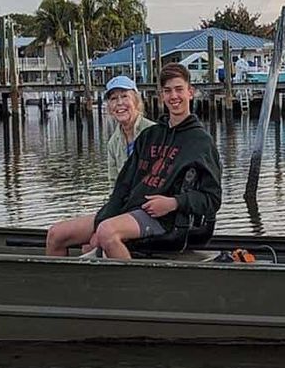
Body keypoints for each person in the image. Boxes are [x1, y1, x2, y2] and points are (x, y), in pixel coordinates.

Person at [49, 62, 222, 261]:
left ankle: (130, 288)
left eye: (179, 89)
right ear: (161, 95)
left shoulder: (201, 142)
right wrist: (104, 219)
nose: (173, 96)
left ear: (190, 92)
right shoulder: (150, 135)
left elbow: (212, 199)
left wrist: (174, 202)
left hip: (167, 219)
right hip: (130, 211)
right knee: (56, 234)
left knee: (107, 232)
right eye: (167, 91)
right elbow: (122, 186)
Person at [46, 76, 155, 256]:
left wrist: (106, 226)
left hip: (146, 213)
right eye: (113, 98)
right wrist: (106, 218)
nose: (119, 103)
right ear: (109, 107)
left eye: (124, 96)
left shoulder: (153, 133)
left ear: (136, 100)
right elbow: (115, 190)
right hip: (121, 209)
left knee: (92, 244)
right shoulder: (114, 142)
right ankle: (59, 282)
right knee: (55, 234)